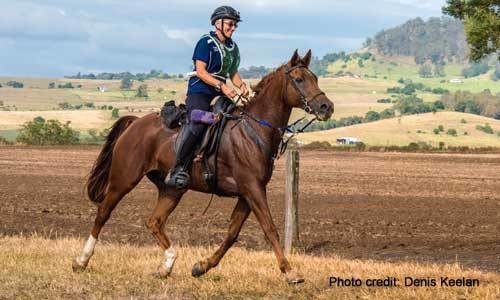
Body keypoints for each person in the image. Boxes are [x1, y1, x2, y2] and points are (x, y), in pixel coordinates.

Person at [165, 5, 250, 189]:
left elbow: (233, 72)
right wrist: (223, 86)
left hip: (220, 93)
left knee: (232, 119)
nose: (233, 28)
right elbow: (201, 72)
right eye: (230, 24)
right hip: (200, 90)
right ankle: (178, 167)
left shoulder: (233, 48)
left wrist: (242, 86)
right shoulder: (205, 42)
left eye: (235, 25)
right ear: (218, 23)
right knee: (198, 119)